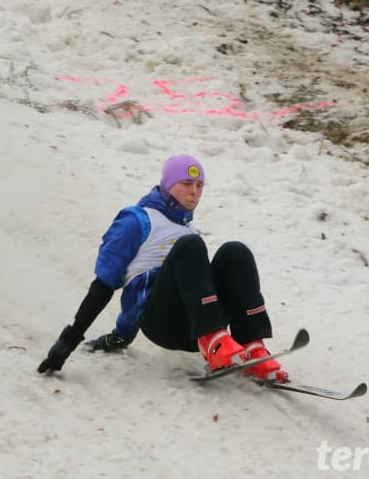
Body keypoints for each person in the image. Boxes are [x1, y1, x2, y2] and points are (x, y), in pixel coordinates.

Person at [37, 154, 288, 382]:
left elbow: (198, 284)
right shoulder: (137, 221)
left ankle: (251, 346)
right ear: (168, 185)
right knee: (190, 245)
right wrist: (72, 339)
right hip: (162, 323)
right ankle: (213, 341)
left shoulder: (189, 229)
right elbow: (103, 285)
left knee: (235, 251)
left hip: (195, 323)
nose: (194, 192)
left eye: (199, 186)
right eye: (186, 184)